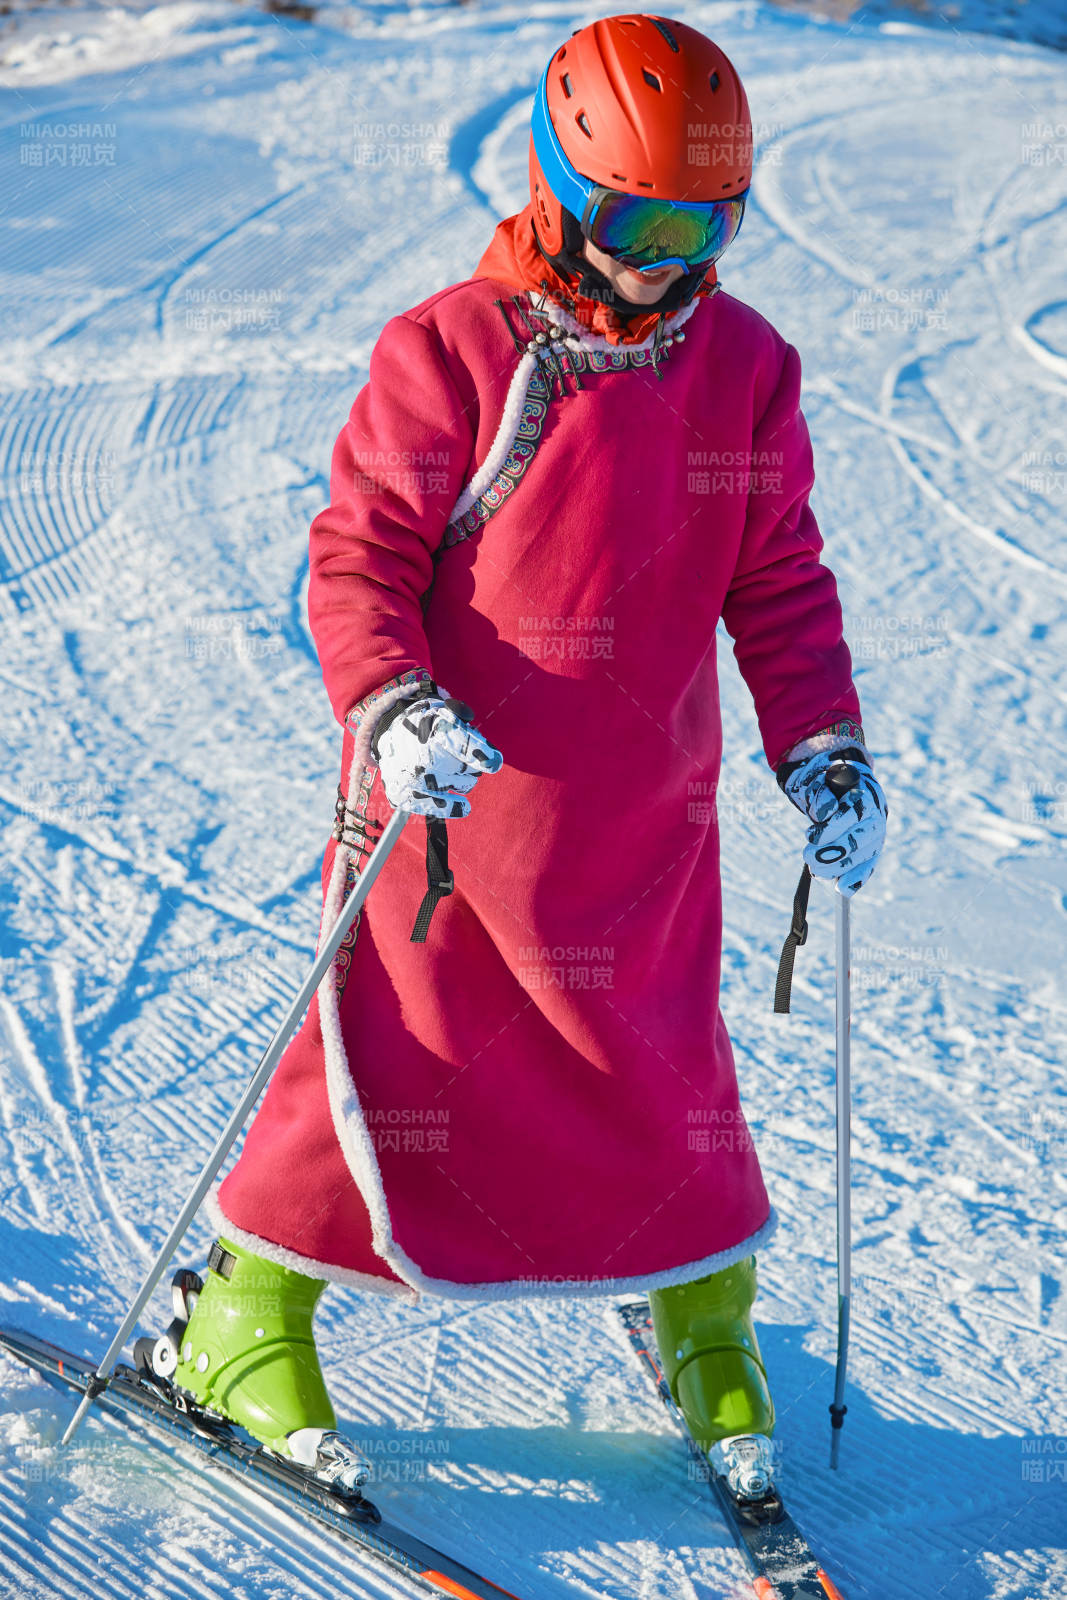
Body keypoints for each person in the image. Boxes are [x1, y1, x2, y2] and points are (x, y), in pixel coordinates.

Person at [149, 13, 887, 1498]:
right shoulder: (451, 351)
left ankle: (703, 1311)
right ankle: (240, 1313)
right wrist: (392, 707)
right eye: (634, 223)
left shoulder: (746, 368)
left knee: (658, 1072)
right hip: (446, 813)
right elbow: (359, 557)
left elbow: (777, 579)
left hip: (641, 826)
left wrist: (823, 747)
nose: (664, 260)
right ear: (557, 186)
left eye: (704, 226)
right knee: (386, 1056)